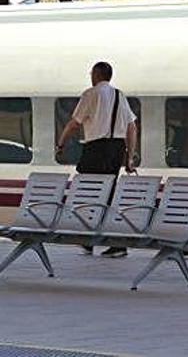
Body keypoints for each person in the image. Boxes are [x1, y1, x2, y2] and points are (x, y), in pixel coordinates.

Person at [56, 61, 138, 258]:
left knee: (88, 192)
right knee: (107, 195)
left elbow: (74, 123)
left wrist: (61, 144)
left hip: (96, 148)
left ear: (96, 75)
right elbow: (132, 127)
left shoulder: (91, 94)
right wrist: (130, 157)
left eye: (92, 73)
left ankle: (91, 239)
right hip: (116, 149)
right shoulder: (120, 95)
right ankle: (112, 242)